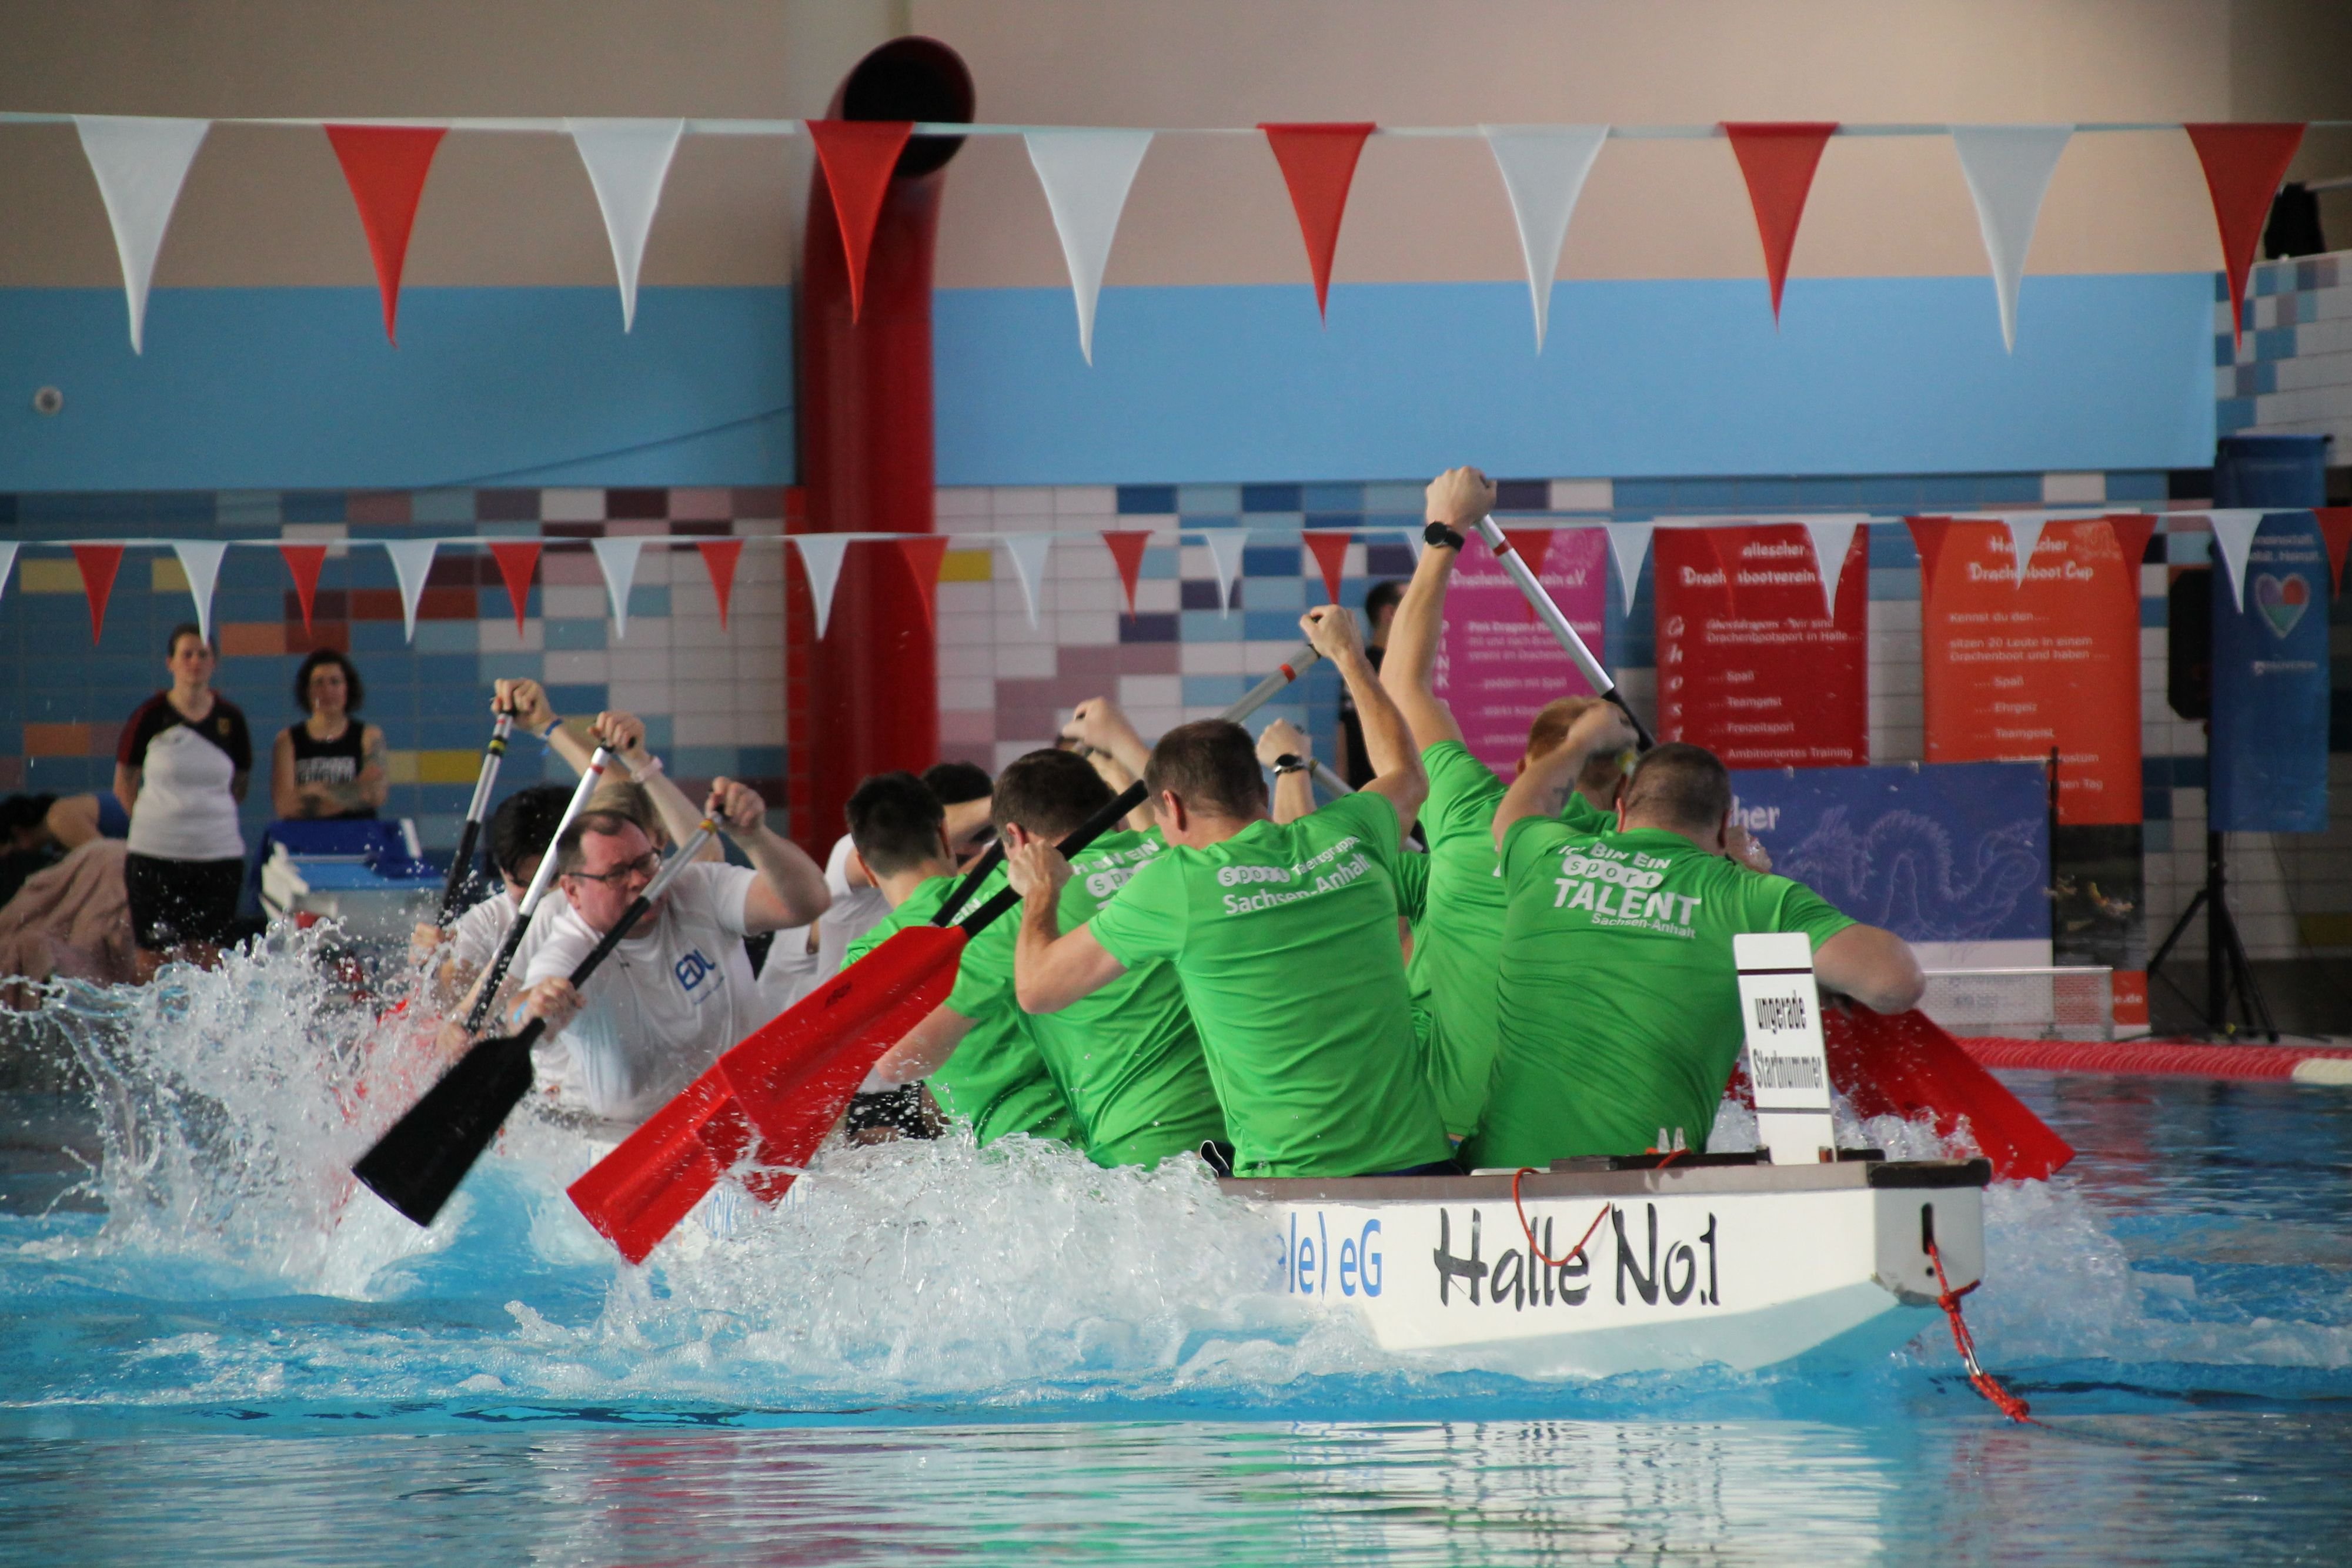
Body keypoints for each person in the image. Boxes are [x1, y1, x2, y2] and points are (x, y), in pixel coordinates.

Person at [1007, 605, 1454, 1180]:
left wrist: (1040, 891)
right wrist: (1349, 657)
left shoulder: (1178, 885)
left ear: (1168, 806)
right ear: (1258, 787)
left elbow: (1038, 989)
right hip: (1421, 1166)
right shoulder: (1348, 834)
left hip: (1298, 1184)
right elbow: (1408, 775)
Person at [1464, 742, 1926, 1169]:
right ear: (1725, 825)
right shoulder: (1748, 896)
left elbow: (1516, 810)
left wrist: (1577, 742)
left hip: (1495, 1179)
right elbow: (1894, 982)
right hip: (1643, 1191)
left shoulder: (1543, 854)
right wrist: (1752, 883)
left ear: (1621, 811)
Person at [1376, 466, 1655, 1138]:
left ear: (1527, 763)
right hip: (1586, 1137)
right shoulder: (1642, 861)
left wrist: (1445, 531)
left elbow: (1402, 683)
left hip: (1440, 1128)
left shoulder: (1471, 814)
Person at [867, 748, 1225, 1167]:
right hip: (1241, 1133)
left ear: (1014, 839)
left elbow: (899, 1059)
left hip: (1145, 1152)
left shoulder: (1021, 912)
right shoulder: (1178, 857)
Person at [513, 778, 829, 1128]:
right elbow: (523, 1017)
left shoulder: (698, 886)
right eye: (617, 874)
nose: (639, 881)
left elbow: (810, 903)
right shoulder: (571, 947)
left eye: (645, 863)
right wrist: (536, 1009)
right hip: (641, 1138)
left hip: (754, 1106)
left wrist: (755, 838)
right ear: (573, 891)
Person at [835, 771, 1081, 1149]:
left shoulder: (865, 960)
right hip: (1089, 1112)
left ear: (866, 868)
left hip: (1005, 1149)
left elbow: (893, 1065)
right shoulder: (1010, 886)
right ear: (944, 837)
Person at [115, 624, 253, 979]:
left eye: (203, 654)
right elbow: (124, 783)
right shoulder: (149, 716)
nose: (195, 662)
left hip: (217, 858)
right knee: (153, 958)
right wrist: (154, 822)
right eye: (187, 654)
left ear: (214, 663)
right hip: (154, 855)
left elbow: (240, 785)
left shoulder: (231, 720)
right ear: (170, 663)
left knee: (208, 958)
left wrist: (203, 823)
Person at [270, 650, 388, 820]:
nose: (327, 691)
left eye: (335, 682)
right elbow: (285, 806)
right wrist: (355, 789)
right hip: (307, 841)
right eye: (319, 683)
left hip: (357, 839)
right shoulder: (287, 740)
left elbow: (375, 794)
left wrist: (316, 790)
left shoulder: (369, 736)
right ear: (308, 690)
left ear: (347, 688)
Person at [1337, 578, 1406, 787]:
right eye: (1412, 604)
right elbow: (1346, 729)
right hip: (1385, 790)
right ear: (1390, 614)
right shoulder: (1361, 668)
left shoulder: (1359, 666)